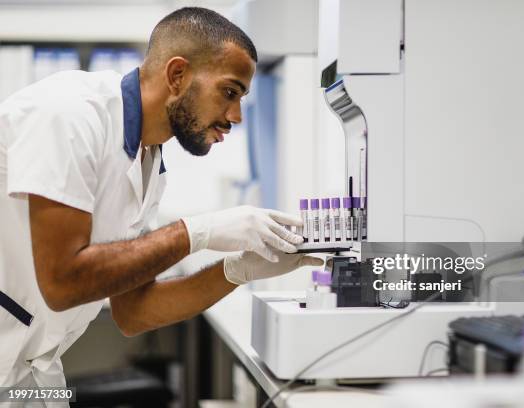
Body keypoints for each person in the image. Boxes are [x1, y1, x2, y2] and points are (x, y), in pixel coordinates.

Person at [0, 6, 322, 395]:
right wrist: (197, 231)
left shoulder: (149, 163)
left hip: (29, 375)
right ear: (177, 75)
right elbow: (63, 282)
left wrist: (238, 271)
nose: (235, 116)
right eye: (229, 91)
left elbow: (134, 312)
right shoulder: (69, 115)